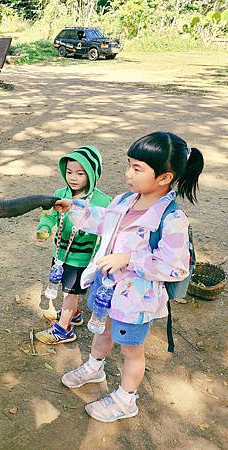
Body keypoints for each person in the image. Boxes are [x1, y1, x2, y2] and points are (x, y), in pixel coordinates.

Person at [55, 131, 204, 422]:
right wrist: (76, 208)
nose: (128, 174)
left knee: (132, 351)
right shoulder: (125, 200)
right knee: (102, 330)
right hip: (108, 289)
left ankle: (126, 399)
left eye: (137, 168)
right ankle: (94, 366)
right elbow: (102, 220)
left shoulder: (171, 219)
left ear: (164, 178)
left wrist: (129, 259)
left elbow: (176, 267)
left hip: (136, 300)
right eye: (129, 165)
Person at [35, 146, 111, 345]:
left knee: (71, 292)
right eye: (69, 172)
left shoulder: (103, 201)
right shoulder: (60, 194)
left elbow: (108, 229)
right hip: (60, 254)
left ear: (93, 174)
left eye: (80, 173)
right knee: (64, 286)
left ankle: (63, 329)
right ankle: (74, 314)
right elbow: (49, 216)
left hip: (81, 259)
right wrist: (44, 227)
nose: (73, 178)